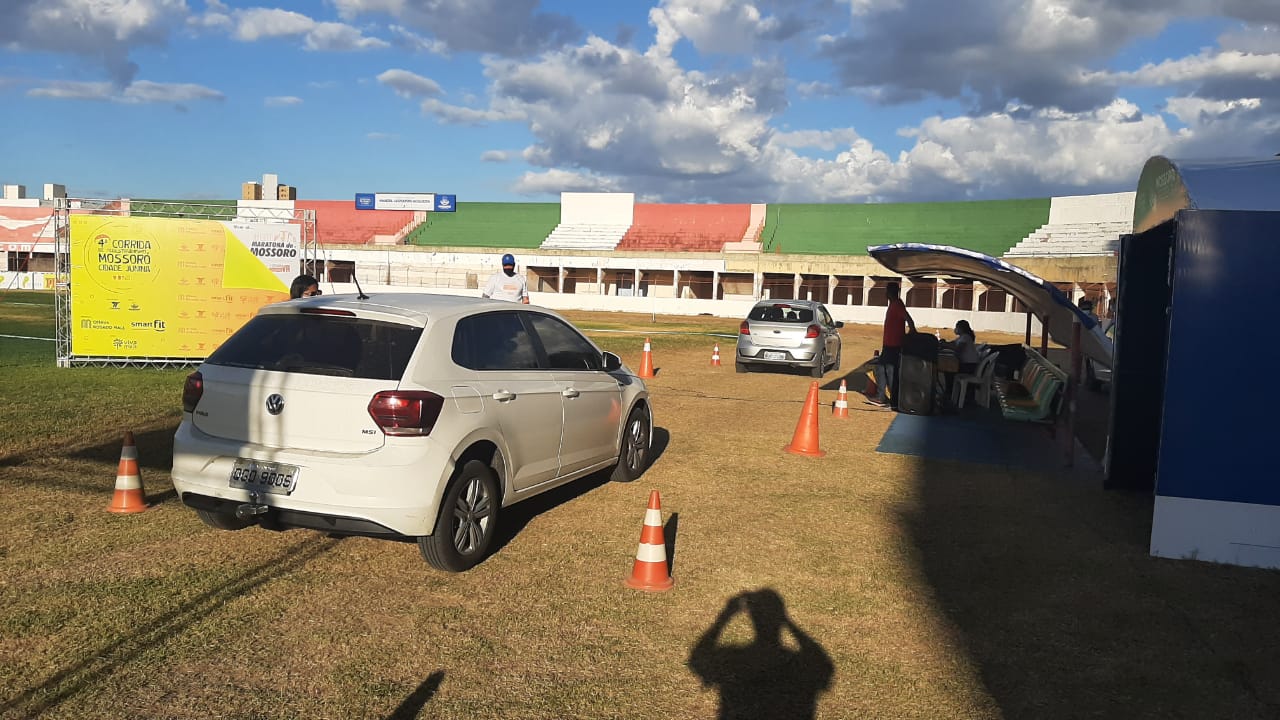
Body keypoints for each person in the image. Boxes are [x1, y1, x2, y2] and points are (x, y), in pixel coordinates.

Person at [870, 281, 915, 408]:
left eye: (887, 291)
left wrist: (911, 334)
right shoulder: (894, 305)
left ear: (890, 293)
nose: (886, 294)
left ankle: (891, 400)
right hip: (889, 344)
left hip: (894, 345)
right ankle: (883, 397)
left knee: (890, 372)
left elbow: (909, 320)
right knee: (881, 368)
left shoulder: (897, 305)